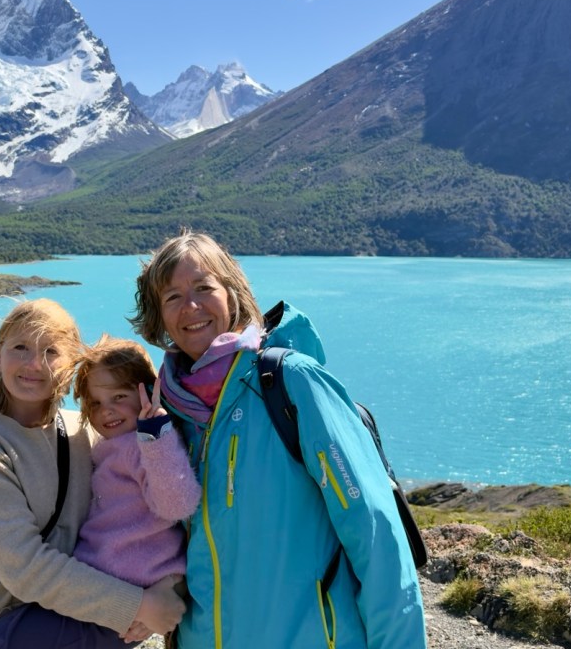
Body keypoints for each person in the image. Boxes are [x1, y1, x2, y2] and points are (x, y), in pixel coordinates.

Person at [131, 231, 427, 649]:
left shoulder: (291, 383)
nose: (191, 307)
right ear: (158, 315)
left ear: (233, 294)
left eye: (203, 288)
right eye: (172, 296)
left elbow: (375, 531)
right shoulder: (167, 413)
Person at [0, 299, 186, 649]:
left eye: (51, 351)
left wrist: (169, 580)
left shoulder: (84, 432)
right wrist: (140, 605)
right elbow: (25, 568)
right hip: (13, 629)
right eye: (20, 347)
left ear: (73, 365)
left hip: (93, 620)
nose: (34, 363)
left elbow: (146, 510)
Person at [71, 336, 200, 588]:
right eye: (95, 402)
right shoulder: (110, 446)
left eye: (118, 396)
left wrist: (155, 435)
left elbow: (178, 506)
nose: (105, 410)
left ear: (149, 392)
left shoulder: (146, 445)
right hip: (109, 577)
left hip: (133, 578)